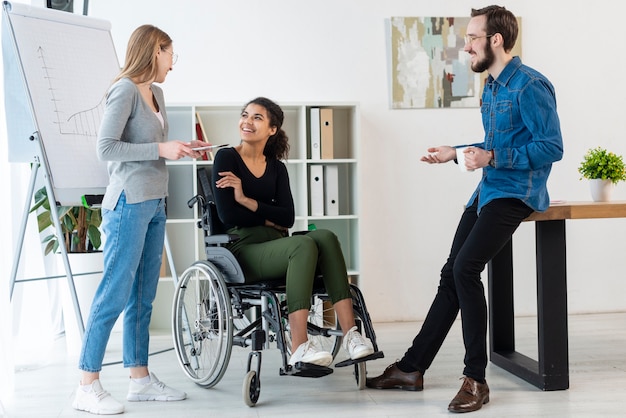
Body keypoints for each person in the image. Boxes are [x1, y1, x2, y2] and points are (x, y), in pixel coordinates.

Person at [366, 5, 563, 414]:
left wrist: (490, 157)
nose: (465, 45)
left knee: (464, 269)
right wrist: (454, 153)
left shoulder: (530, 85)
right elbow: (497, 140)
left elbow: (551, 147)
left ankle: (476, 379)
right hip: (488, 191)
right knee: (451, 274)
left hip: (518, 193)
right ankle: (412, 368)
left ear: (496, 40)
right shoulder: (490, 86)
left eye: (472, 37)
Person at [73, 25, 207, 415]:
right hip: (128, 204)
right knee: (113, 293)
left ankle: (140, 379)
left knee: (143, 296)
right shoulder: (125, 89)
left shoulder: (157, 93)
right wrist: (160, 146)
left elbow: (151, 147)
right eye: (170, 55)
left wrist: (181, 147)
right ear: (154, 50)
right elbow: (106, 147)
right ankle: (87, 383)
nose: (172, 63)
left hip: (155, 203)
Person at [212, 97, 374, 367]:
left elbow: (287, 216)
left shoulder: (276, 167)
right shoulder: (226, 157)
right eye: (245, 115)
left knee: (325, 236)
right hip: (243, 249)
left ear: (272, 129)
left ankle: (351, 335)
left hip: (276, 246)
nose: (247, 122)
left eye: (257, 118)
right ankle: (298, 345)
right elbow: (228, 215)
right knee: (303, 245)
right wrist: (268, 218)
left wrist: (245, 199)